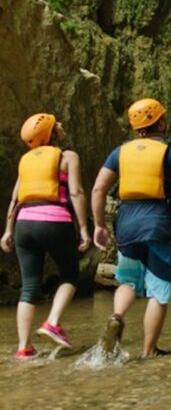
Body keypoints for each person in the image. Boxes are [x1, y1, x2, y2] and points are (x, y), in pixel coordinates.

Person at [92, 98, 171, 358]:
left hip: (126, 223)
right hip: (157, 223)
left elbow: (98, 188)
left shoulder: (120, 152)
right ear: (161, 122)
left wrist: (98, 224)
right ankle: (149, 351)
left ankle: (117, 316)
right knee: (159, 289)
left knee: (128, 281)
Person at [1, 113, 92, 359]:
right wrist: (83, 229)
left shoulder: (25, 160)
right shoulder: (68, 157)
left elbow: (16, 198)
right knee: (70, 274)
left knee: (29, 287)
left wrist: (8, 231)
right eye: (56, 124)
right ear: (50, 134)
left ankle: (23, 347)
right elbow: (76, 192)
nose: (61, 124)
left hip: (23, 224)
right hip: (55, 221)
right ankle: (52, 322)